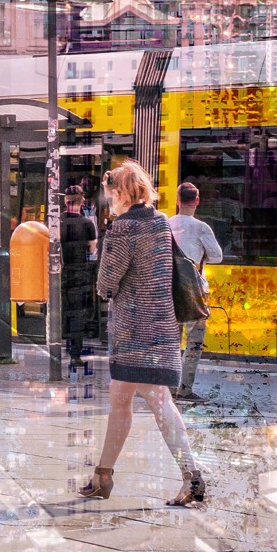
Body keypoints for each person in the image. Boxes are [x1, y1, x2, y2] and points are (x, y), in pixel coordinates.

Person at [79, 161, 205, 507]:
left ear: (119, 193)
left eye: (110, 196)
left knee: (155, 401)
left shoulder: (123, 229)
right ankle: (102, 476)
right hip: (162, 328)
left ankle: (192, 477)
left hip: (135, 333)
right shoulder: (161, 223)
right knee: (124, 398)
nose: (109, 203)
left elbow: (106, 285)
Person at [168, 182, 224, 401]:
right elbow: (217, 256)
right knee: (194, 341)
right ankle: (185, 389)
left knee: (172, 340)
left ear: (177, 201)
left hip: (171, 291)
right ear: (197, 201)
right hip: (195, 293)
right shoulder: (201, 227)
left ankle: (170, 386)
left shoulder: (167, 224)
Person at [60, 186, 101, 371]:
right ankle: (74, 354)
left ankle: (57, 347)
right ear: (81, 202)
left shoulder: (55, 222)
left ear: (65, 201)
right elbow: (92, 250)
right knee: (77, 312)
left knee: (61, 309)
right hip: (80, 273)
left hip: (60, 272)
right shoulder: (87, 223)